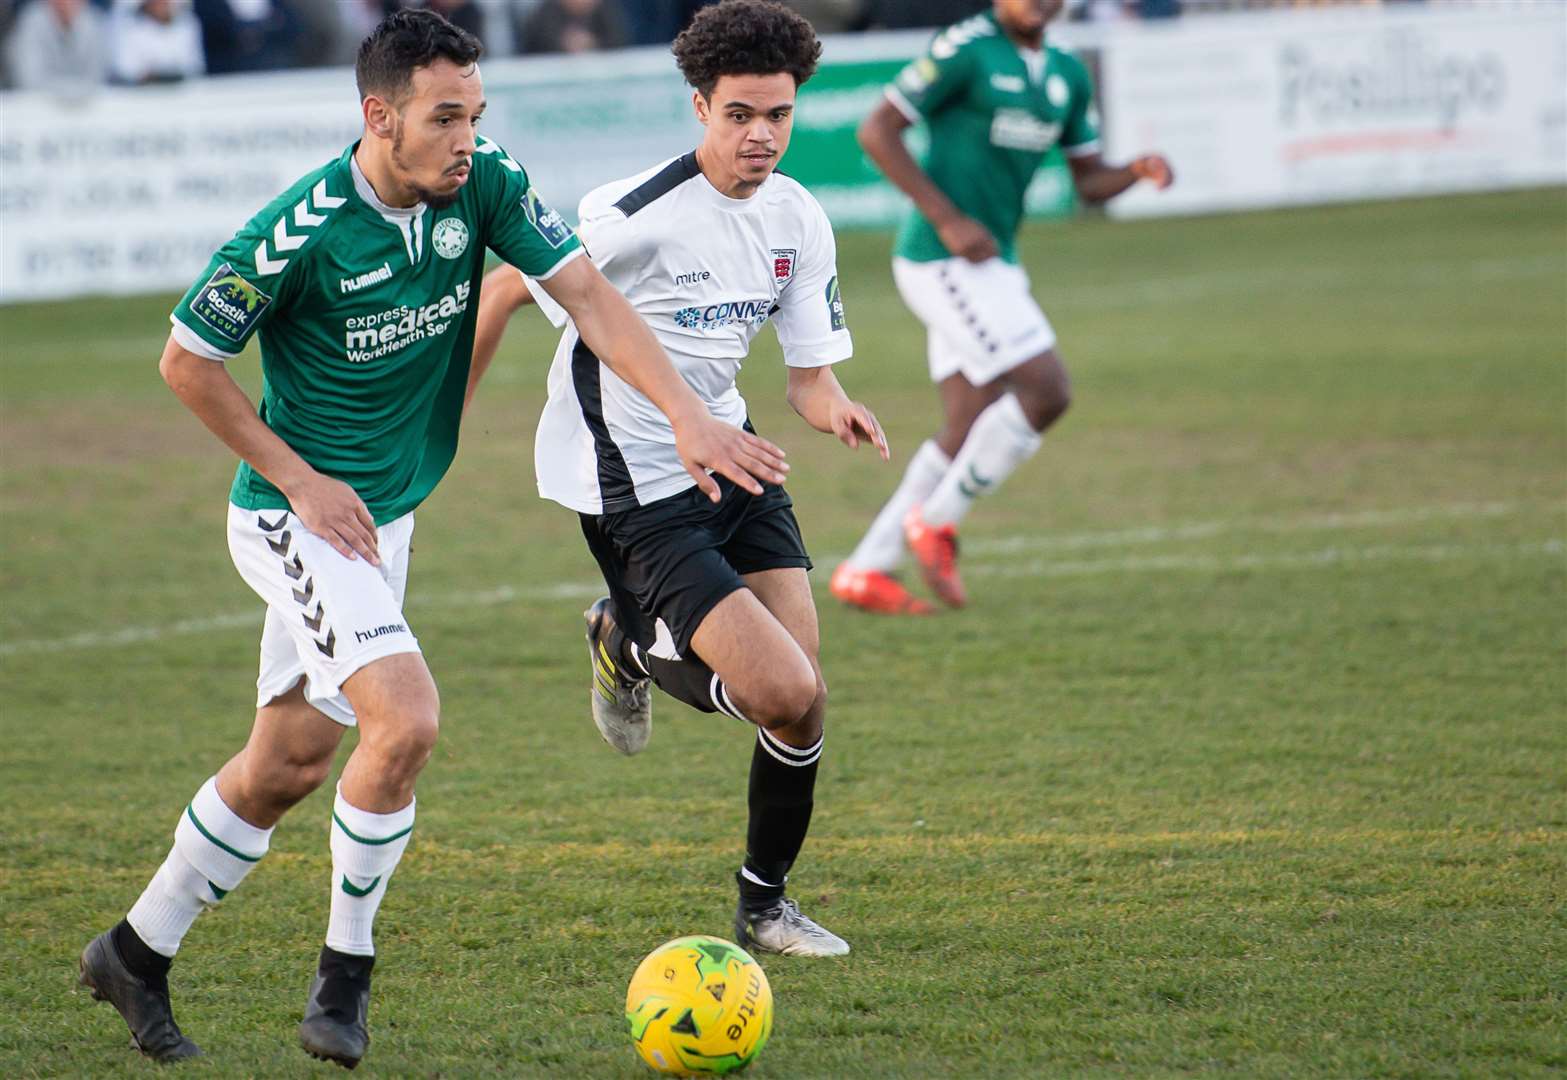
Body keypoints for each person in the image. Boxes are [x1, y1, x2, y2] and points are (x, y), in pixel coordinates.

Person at [75, 8, 782, 1069]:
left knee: (289, 762)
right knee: (403, 723)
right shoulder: (298, 230)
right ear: (380, 116)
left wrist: (688, 414)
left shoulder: (483, 179)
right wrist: (302, 480)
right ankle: (342, 984)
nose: (467, 138)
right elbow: (186, 363)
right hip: (297, 520)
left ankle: (133, 951)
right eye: (444, 118)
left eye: (476, 115)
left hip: (382, 518)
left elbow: (584, 292)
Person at [470, 0, 884, 958]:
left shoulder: (795, 217)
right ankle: (622, 633)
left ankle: (763, 906)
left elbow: (808, 379)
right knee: (782, 692)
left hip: (735, 459)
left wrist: (839, 410)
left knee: (804, 694)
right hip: (633, 488)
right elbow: (503, 287)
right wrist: (446, 421)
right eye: (739, 114)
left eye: (777, 115)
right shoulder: (632, 213)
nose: (760, 136)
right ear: (699, 105)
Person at [830, 0, 1172, 614]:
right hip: (941, 257)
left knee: (968, 423)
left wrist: (1134, 172)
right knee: (1047, 389)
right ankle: (936, 521)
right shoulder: (967, 48)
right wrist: (949, 219)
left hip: (994, 264)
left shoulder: (1067, 72)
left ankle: (865, 569)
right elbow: (877, 130)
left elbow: (1088, 179)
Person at [6, 0, 109, 95]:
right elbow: (29, 80)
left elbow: (97, 77)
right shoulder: (30, 22)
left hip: (85, 106)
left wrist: (71, 93)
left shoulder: (92, 22)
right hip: (37, 104)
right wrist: (71, 91)